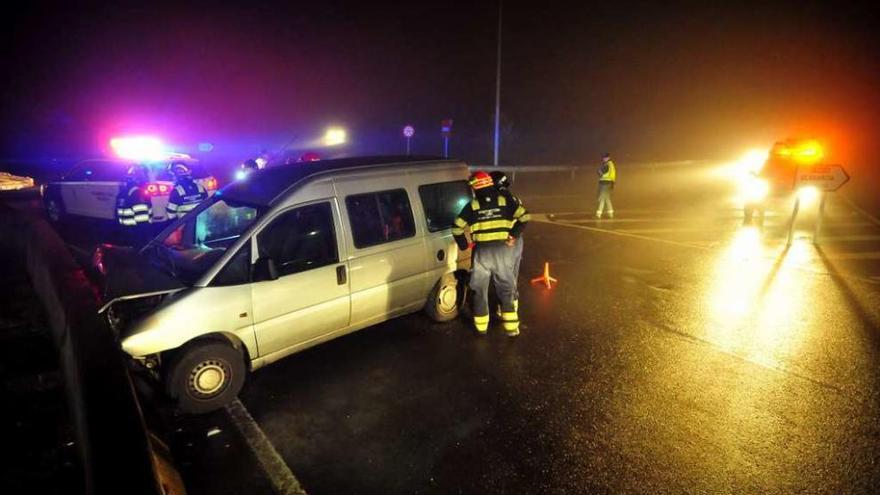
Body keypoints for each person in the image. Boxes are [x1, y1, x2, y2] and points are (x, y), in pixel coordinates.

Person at [453, 171, 529, 336]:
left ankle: (481, 328)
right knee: (506, 288)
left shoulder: (472, 206)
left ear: (475, 188)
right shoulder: (505, 201)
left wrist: (464, 245)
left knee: (479, 289)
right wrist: (513, 235)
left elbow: (456, 227)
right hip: (502, 251)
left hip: (481, 253)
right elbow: (525, 217)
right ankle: (511, 328)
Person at [489, 170, 529, 313]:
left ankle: (507, 307)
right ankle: (513, 303)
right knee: (512, 274)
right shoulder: (514, 198)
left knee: (503, 276)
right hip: (516, 240)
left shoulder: (501, 199)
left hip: (506, 241)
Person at [116, 165, 152, 247]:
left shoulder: (124, 191)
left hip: (126, 229)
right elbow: (142, 217)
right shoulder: (137, 193)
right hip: (137, 232)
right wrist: (145, 236)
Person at [596, 152, 616, 219]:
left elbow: (602, 173)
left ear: (608, 158)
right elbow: (612, 174)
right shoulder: (610, 164)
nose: (603, 159)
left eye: (605, 157)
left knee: (602, 198)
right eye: (603, 157)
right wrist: (613, 182)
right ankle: (610, 213)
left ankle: (598, 213)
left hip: (605, 183)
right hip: (607, 183)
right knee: (607, 198)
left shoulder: (607, 165)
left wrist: (599, 172)